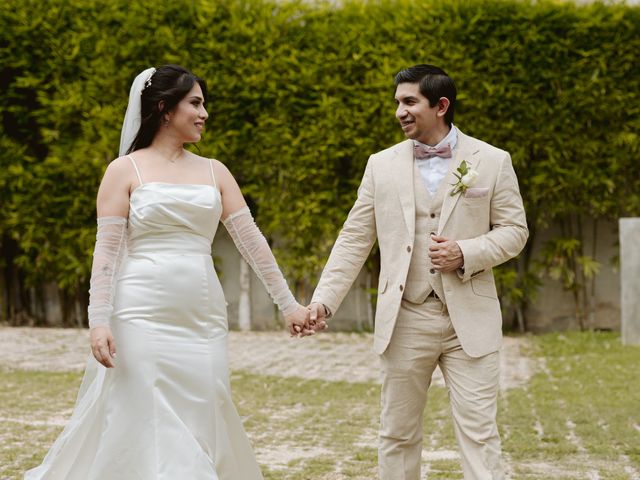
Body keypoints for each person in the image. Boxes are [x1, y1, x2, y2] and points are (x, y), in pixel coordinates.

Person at [25, 65, 313, 480]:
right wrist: (98, 321)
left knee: (207, 401)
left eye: (204, 104)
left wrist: (288, 305)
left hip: (202, 313)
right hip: (139, 311)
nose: (204, 113)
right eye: (195, 103)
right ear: (163, 109)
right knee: (146, 410)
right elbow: (106, 254)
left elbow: (252, 243)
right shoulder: (124, 171)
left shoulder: (215, 171)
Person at [307, 64, 528, 479]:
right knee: (397, 433)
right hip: (406, 316)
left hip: (470, 319)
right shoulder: (380, 165)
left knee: (480, 433)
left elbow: (515, 231)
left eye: (409, 102)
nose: (399, 112)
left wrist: (465, 251)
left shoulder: (493, 161)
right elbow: (354, 238)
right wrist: (324, 301)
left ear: (441, 105)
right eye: (397, 103)